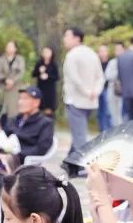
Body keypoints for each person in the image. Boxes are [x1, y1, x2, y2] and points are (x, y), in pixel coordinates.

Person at [62, 27, 104, 159]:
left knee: (79, 136)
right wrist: (94, 92)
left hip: (75, 100)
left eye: (67, 36)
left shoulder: (72, 55)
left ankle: (82, 165)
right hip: (90, 101)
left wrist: (86, 92)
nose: (64, 39)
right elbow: (100, 77)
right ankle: (70, 162)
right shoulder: (92, 53)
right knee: (78, 133)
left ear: (77, 38)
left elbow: (74, 79)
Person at [0, 85, 55, 159]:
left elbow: (41, 149)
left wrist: (16, 154)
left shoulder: (45, 123)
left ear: (36, 102)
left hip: (23, 162)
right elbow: (3, 136)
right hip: (4, 156)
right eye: (20, 98)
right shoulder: (14, 120)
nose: (20, 102)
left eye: (25, 99)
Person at [32, 45, 60, 117]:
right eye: (44, 52)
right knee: (39, 108)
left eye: (48, 52)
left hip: (50, 90)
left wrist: (48, 76)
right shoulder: (39, 63)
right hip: (40, 88)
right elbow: (33, 74)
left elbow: (57, 77)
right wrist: (39, 72)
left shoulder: (53, 64)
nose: (46, 53)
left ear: (51, 53)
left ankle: (49, 125)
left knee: (49, 110)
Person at [97, 43, 114, 132]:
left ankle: (109, 131)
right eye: (100, 51)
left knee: (108, 111)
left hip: (107, 89)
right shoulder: (96, 63)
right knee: (100, 112)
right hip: (98, 90)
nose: (102, 53)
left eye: (104, 51)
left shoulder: (111, 63)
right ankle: (102, 130)